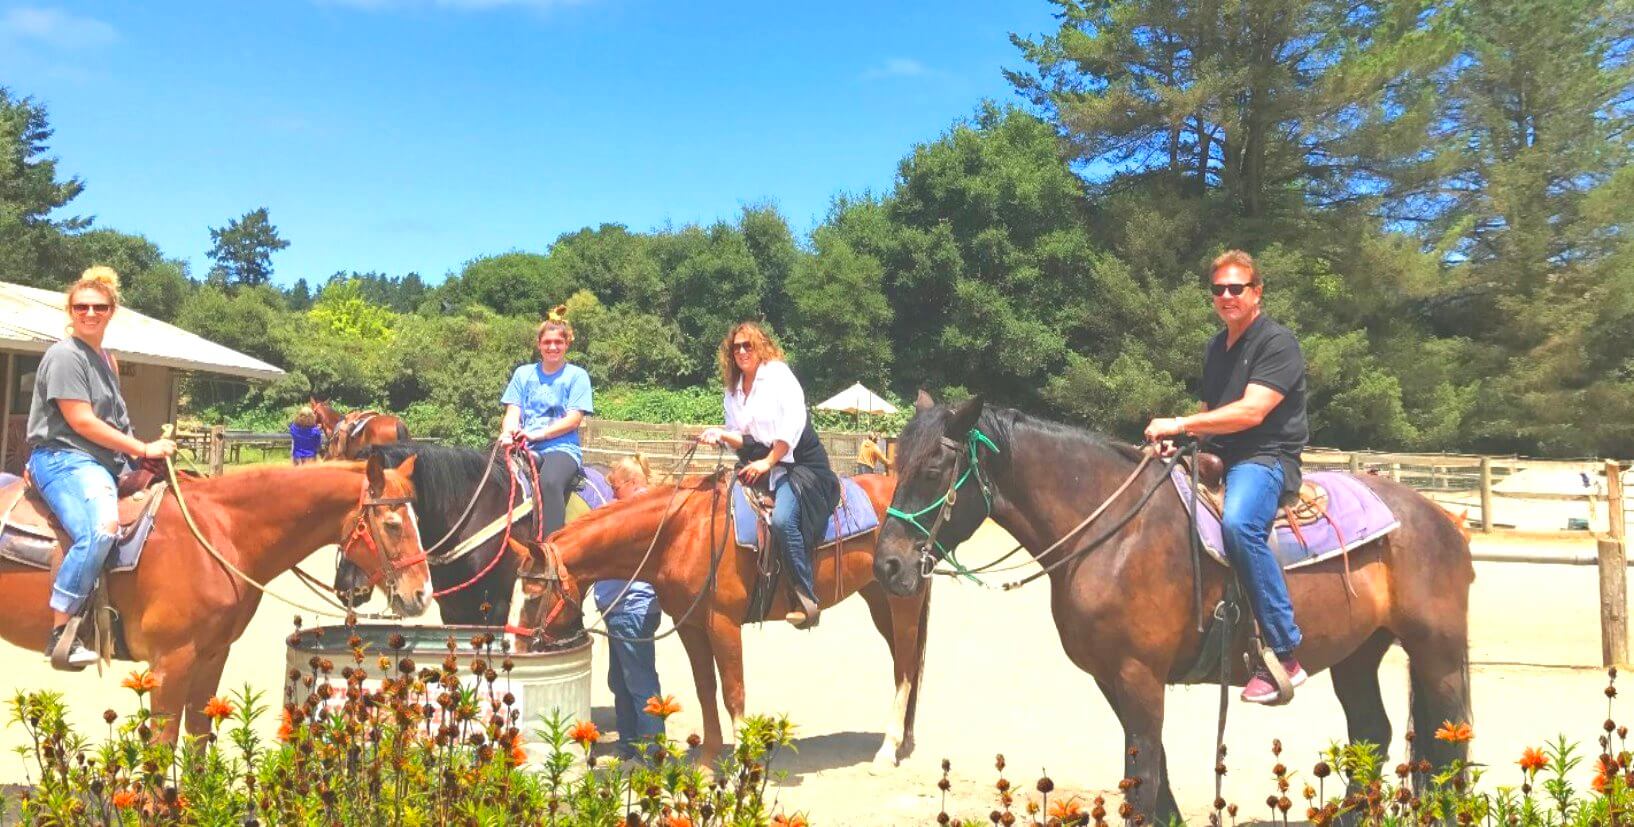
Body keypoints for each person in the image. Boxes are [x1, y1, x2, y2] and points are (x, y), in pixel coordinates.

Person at [1144, 249, 1309, 704]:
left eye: (1237, 288)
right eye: (1219, 289)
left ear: (1257, 293)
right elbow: (1210, 412)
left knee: (1239, 526)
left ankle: (1283, 649)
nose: (1227, 296)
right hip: (1219, 454)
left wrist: (1178, 425)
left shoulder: (1277, 343)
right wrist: (1179, 445)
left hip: (1266, 457)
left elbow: (1252, 411)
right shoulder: (1216, 347)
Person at [25, 266, 176, 670]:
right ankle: (63, 630)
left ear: (112, 311)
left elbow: (117, 422)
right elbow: (83, 422)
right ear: (70, 311)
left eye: (98, 307)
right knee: (100, 528)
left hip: (101, 462)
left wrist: (141, 461)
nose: (89, 313)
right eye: (81, 306)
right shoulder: (64, 355)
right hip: (63, 457)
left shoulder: (107, 359)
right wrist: (143, 446)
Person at [698, 322, 839, 628]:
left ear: (760, 346)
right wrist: (720, 434)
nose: (742, 351)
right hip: (763, 460)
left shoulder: (777, 375)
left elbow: (793, 423)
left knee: (784, 519)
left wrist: (768, 461)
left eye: (748, 345)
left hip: (799, 463)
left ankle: (806, 595)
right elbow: (742, 436)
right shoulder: (733, 390)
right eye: (736, 347)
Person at [500, 305, 594, 542]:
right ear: (539, 344)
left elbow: (573, 419)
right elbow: (513, 410)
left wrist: (537, 435)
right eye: (547, 342)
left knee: (550, 481)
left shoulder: (576, 376)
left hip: (561, 448)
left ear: (566, 344)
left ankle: (550, 548)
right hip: (524, 445)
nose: (552, 347)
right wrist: (508, 432)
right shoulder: (523, 374)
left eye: (558, 342)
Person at [594, 453, 664, 758]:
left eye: (615, 485)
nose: (611, 492)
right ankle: (629, 743)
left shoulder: (639, 507)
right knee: (623, 680)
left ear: (633, 482)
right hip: (622, 608)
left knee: (638, 681)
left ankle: (650, 751)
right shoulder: (637, 506)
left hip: (631, 606)